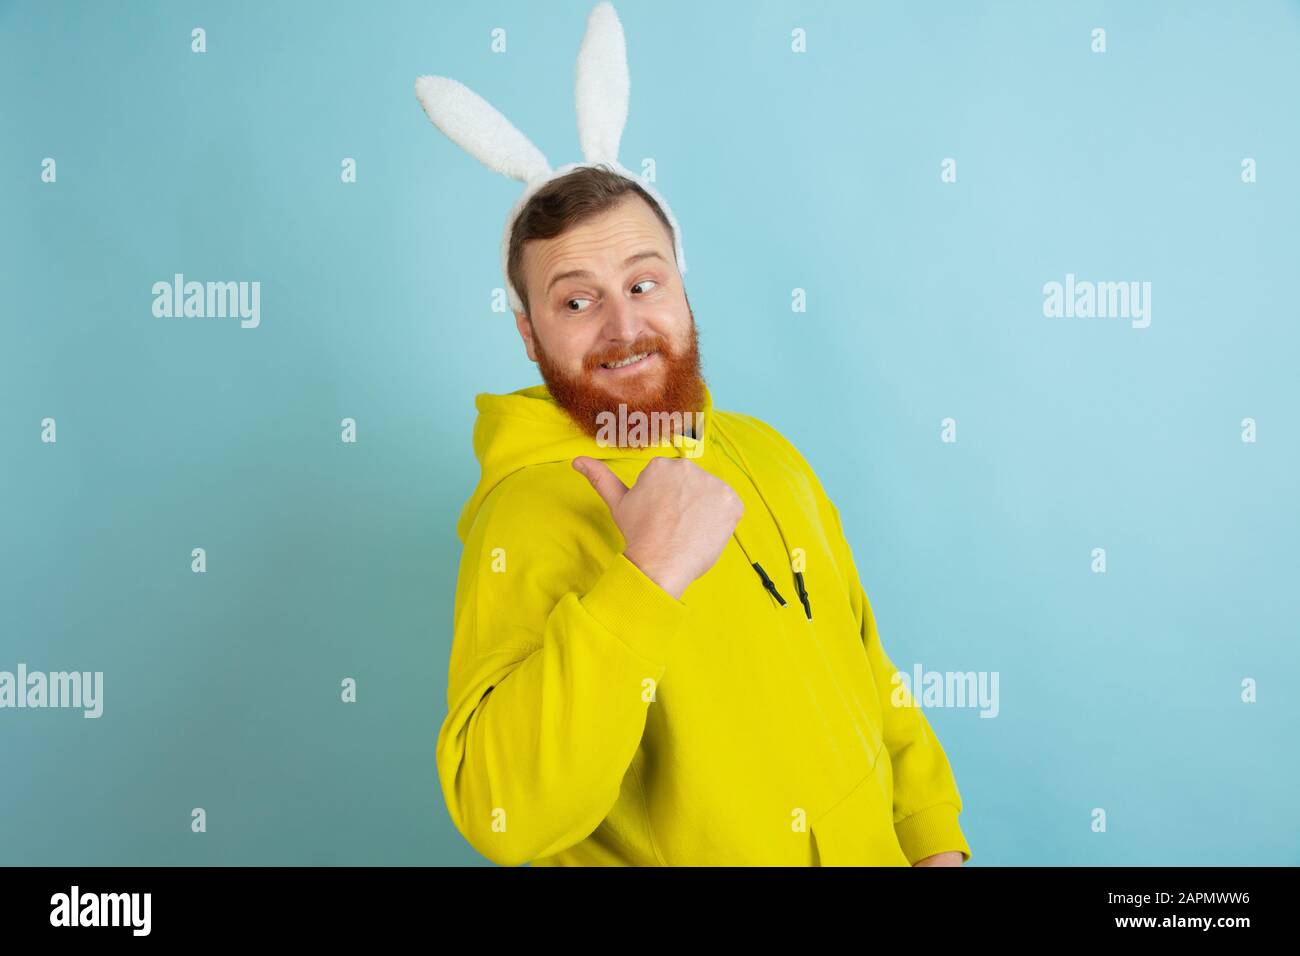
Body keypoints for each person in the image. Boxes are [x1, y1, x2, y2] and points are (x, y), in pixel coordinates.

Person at [434, 163, 972, 866]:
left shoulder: (766, 451)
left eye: (642, 284)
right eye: (575, 303)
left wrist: (931, 840)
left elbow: (864, 663)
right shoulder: (525, 514)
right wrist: (645, 575)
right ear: (530, 337)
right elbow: (503, 812)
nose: (622, 327)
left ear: (682, 290)